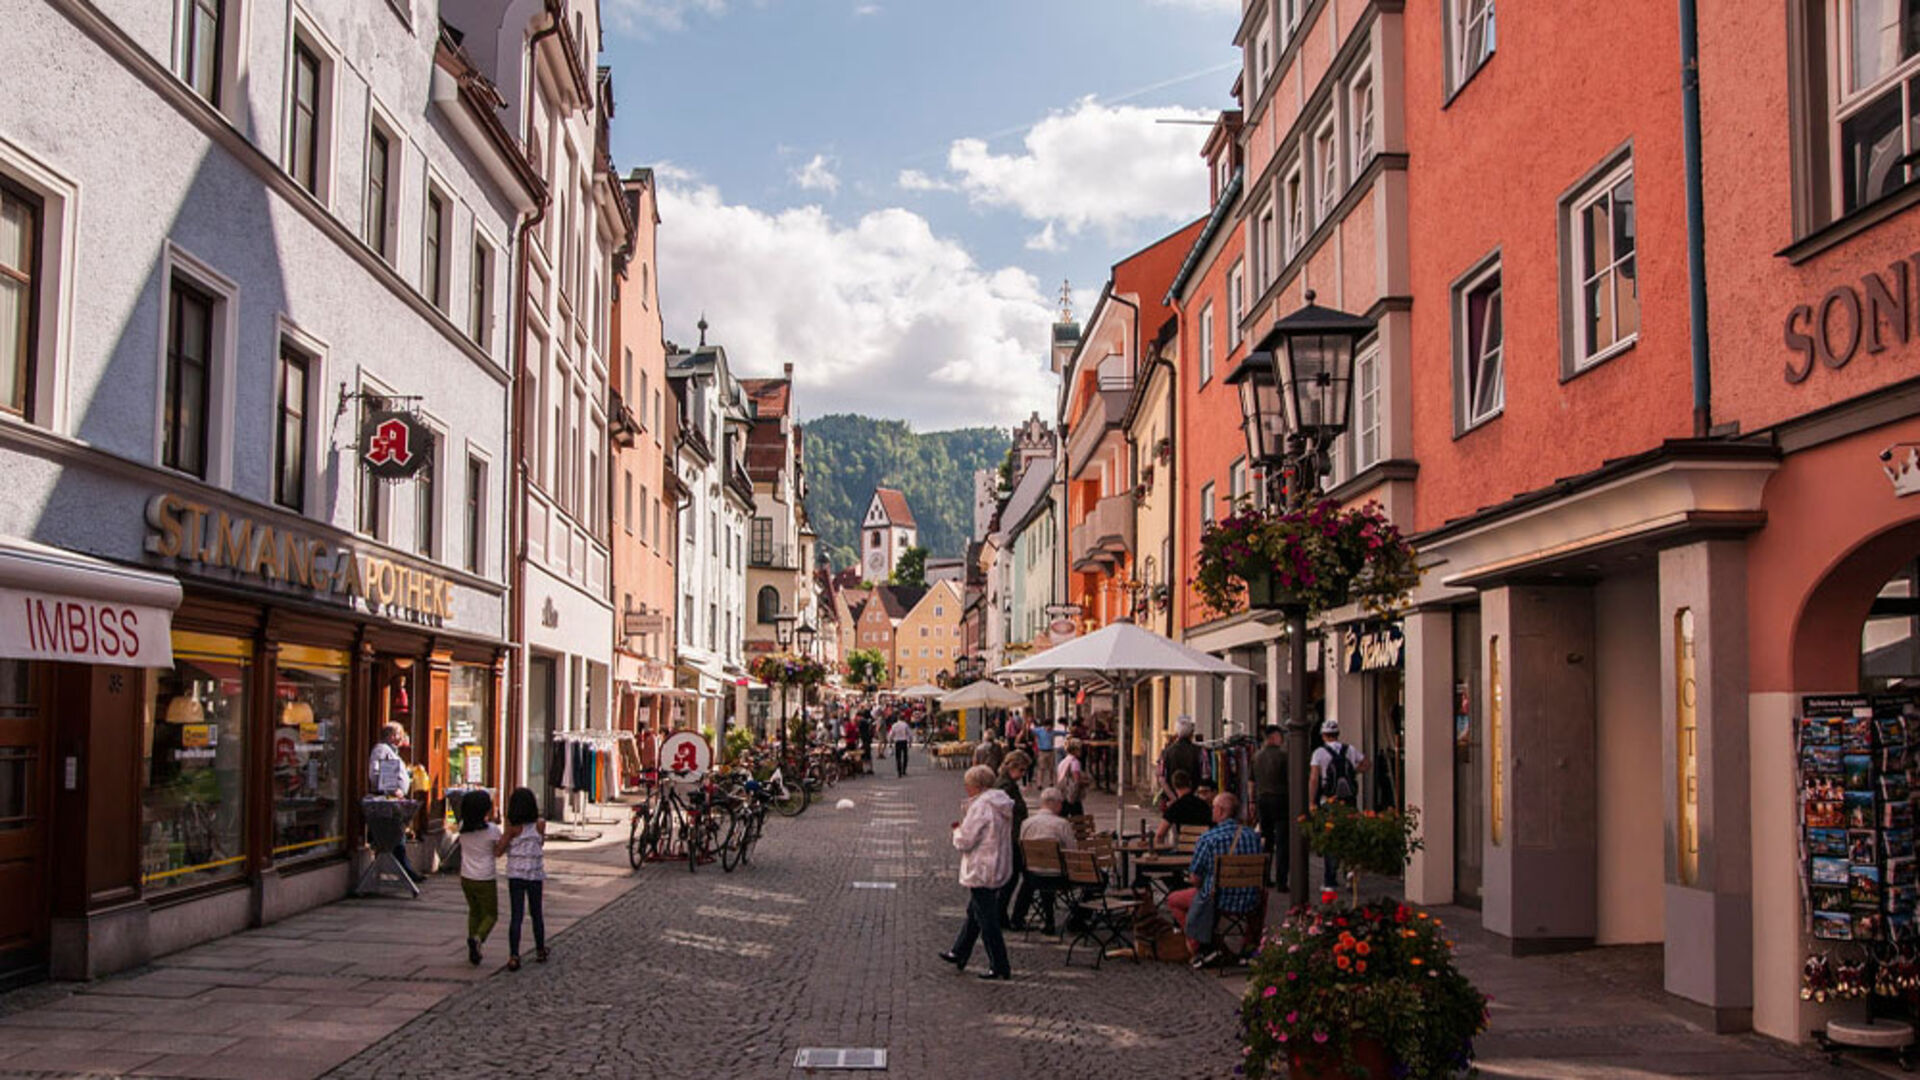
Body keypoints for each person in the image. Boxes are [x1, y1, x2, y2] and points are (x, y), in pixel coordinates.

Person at [1165, 792, 1265, 969]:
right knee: (1263, 894)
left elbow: (1195, 879)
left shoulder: (1208, 838)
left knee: (1173, 900)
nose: (1211, 810)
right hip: (1250, 900)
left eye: (1213, 807)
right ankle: (1249, 948)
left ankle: (1203, 946)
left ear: (1220, 811)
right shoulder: (1253, 836)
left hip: (1218, 900)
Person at [940, 765, 1014, 980]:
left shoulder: (981, 806)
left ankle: (999, 964)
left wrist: (956, 831)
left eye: (968, 785)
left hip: (982, 866)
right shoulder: (1000, 802)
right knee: (975, 912)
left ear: (977, 786)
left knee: (986, 918)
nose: (966, 789)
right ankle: (959, 950)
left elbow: (966, 840)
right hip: (996, 863)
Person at [1308, 718, 1369, 889]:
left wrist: (1312, 801)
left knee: (1331, 839)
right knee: (1349, 836)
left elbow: (1314, 778)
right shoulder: (1349, 749)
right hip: (1349, 800)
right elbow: (1366, 763)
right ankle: (1350, 873)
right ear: (1337, 734)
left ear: (1323, 735)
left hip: (1329, 801)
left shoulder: (1319, 753)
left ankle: (1330, 880)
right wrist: (1353, 772)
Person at [1009, 786, 1077, 933]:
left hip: (1033, 876)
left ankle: (1019, 918)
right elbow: (1072, 851)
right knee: (1099, 878)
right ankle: (1078, 918)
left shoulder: (1026, 823)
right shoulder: (1062, 824)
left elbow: (1022, 846)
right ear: (1057, 804)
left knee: (1031, 880)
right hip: (1058, 877)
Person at [496, 786, 548, 971]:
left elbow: (498, 851)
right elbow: (540, 843)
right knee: (536, 914)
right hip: (535, 874)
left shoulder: (512, 830)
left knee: (516, 915)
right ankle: (540, 949)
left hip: (516, 875)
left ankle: (514, 955)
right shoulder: (540, 824)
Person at [367, 722, 425, 883]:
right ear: (392, 736)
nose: (402, 737)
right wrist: (392, 789)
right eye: (400, 734)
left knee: (397, 836)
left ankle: (406, 871)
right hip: (387, 802)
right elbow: (376, 774)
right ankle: (406, 872)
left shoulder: (391, 752)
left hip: (394, 801)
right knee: (395, 837)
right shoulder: (381, 750)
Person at [456, 788, 501, 966]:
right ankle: (478, 938)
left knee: (474, 912)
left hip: (466, 876)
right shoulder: (492, 830)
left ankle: (472, 945)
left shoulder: (462, 827)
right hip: (485, 877)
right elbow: (498, 852)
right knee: (491, 914)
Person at [994, 752, 1031, 925]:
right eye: (1022, 770)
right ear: (1012, 766)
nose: (1023, 774)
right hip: (1011, 837)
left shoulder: (1007, 783)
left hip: (1012, 836)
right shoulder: (1006, 786)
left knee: (1013, 877)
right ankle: (1006, 915)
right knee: (1015, 877)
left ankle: (1004, 914)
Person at [1251, 724, 1289, 889]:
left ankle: (1264, 877)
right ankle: (1281, 880)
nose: (1282, 740)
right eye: (1280, 736)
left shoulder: (1256, 756)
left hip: (1262, 799)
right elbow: (1290, 780)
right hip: (1280, 799)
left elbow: (1251, 782)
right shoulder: (1283, 756)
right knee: (1282, 842)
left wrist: (1251, 801)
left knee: (1266, 840)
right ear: (1273, 737)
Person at [1154, 770, 1212, 848]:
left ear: (1174, 786)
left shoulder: (1175, 807)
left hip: (1182, 851)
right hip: (1203, 849)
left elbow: (1160, 835)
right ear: (1190, 784)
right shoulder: (1204, 805)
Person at [1159, 716, 1203, 806]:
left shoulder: (1167, 752)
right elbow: (1204, 776)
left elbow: (1162, 778)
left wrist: (1174, 798)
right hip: (1193, 802)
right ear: (1191, 733)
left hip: (1171, 801)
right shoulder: (1199, 752)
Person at [1055, 739, 1088, 818]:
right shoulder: (1075, 762)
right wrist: (1085, 782)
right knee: (1078, 816)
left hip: (1063, 792)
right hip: (1072, 794)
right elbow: (1076, 779)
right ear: (1075, 750)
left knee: (1063, 815)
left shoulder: (1064, 761)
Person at [1031, 714, 1056, 785]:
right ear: (1044, 726)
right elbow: (1030, 731)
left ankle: (1051, 781)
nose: (1049, 728)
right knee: (1041, 768)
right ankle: (1040, 783)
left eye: (1050, 726)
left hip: (1050, 751)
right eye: (1048, 726)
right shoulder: (1039, 730)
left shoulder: (1052, 732)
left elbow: (1061, 733)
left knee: (1051, 768)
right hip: (1042, 751)